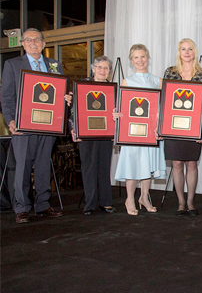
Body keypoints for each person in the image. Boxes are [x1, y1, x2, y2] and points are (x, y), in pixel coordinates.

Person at [1, 28, 65, 223]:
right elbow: (7, 96)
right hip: (23, 124)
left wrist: (66, 98)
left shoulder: (54, 65)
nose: (33, 43)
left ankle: (43, 204)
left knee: (44, 164)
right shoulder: (12, 64)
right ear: (23, 44)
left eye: (37, 40)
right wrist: (11, 120)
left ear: (44, 44)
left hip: (48, 124)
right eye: (28, 40)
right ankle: (21, 207)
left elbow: (59, 92)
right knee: (23, 166)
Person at [114, 44, 166, 215]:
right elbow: (122, 106)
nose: (140, 60)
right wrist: (117, 113)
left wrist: (160, 125)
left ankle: (144, 197)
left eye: (143, 56)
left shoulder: (158, 80)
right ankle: (129, 198)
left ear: (148, 58)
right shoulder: (127, 81)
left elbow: (163, 106)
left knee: (148, 164)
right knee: (133, 163)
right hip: (133, 131)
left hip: (151, 130)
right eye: (136, 57)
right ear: (131, 60)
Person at [164, 38, 202, 216]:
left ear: (194, 51)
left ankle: (190, 201)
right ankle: (180, 202)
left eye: (190, 49)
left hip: (194, 125)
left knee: (191, 163)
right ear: (179, 52)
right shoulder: (170, 72)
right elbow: (165, 100)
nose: (187, 52)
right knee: (176, 163)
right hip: (173, 126)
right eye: (183, 49)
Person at [69, 56, 116, 216]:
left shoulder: (113, 89)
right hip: (85, 134)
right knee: (88, 169)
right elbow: (73, 110)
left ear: (109, 71)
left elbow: (117, 111)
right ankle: (90, 205)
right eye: (99, 67)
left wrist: (116, 121)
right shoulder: (82, 85)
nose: (102, 71)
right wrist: (73, 129)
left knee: (104, 168)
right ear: (93, 68)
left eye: (106, 68)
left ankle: (106, 203)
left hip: (105, 133)